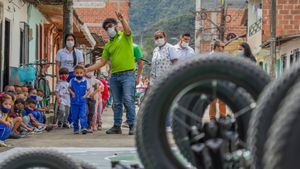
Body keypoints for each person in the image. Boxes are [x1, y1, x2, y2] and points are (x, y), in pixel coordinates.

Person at [86, 12, 136, 135]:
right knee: (117, 102)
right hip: (114, 76)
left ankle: (132, 125)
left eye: (110, 26)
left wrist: (122, 19)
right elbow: (102, 62)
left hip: (128, 75)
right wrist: (87, 69)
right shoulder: (108, 45)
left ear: (116, 26)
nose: (109, 28)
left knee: (128, 100)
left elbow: (128, 31)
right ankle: (117, 126)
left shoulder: (125, 36)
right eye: (106, 27)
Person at [150, 30, 179, 131]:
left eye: (160, 37)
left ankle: (168, 124)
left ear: (165, 37)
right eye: (156, 38)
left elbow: (175, 63)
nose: (158, 39)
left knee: (167, 101)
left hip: (167, 79)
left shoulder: (170, 48)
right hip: (155, 80)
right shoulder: (155, 50)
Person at [68, 65, 90, 135]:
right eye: (77, 73)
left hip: (82, 102)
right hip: (74, 102)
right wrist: (72, 93)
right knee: (75, 116)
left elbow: (88, 90)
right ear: (74, 73)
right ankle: (76, 129)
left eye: (81, 73)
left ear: (83, 73)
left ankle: (84, 128)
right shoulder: (72, 81)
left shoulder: (85, 81)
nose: (79, 74)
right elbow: (68, 88)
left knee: (82, 114)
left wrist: (85, 96)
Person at [209, 40, 227, 120]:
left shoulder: (223, 56)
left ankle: (223, 117)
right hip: (212, 80)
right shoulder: (210, 56)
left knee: (222, 100)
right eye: (222, 47)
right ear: (216, 47)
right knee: (212, 101)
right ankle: (212, 118)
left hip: (222, 80)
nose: (223, 48)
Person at [85, 64, 104, 131]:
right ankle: (88, 125)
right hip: (85, 98)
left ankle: (95, 124)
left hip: (94, 98)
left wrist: (98, 90)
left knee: (95, 112)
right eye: (88, 70)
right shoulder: (83, 80)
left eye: (91, 71)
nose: (90, 72)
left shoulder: (95, 80)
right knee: (86, 112)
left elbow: (102, 86)